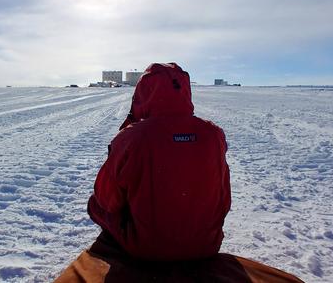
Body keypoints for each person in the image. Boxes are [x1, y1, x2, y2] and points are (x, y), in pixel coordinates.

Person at [87, 62, 231, 261]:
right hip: (208, 246)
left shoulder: (131, 138)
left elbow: (107, 199)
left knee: (95, 204)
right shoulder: (214, 134)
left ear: (143, 93)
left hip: (145, 249)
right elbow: (224, 198)